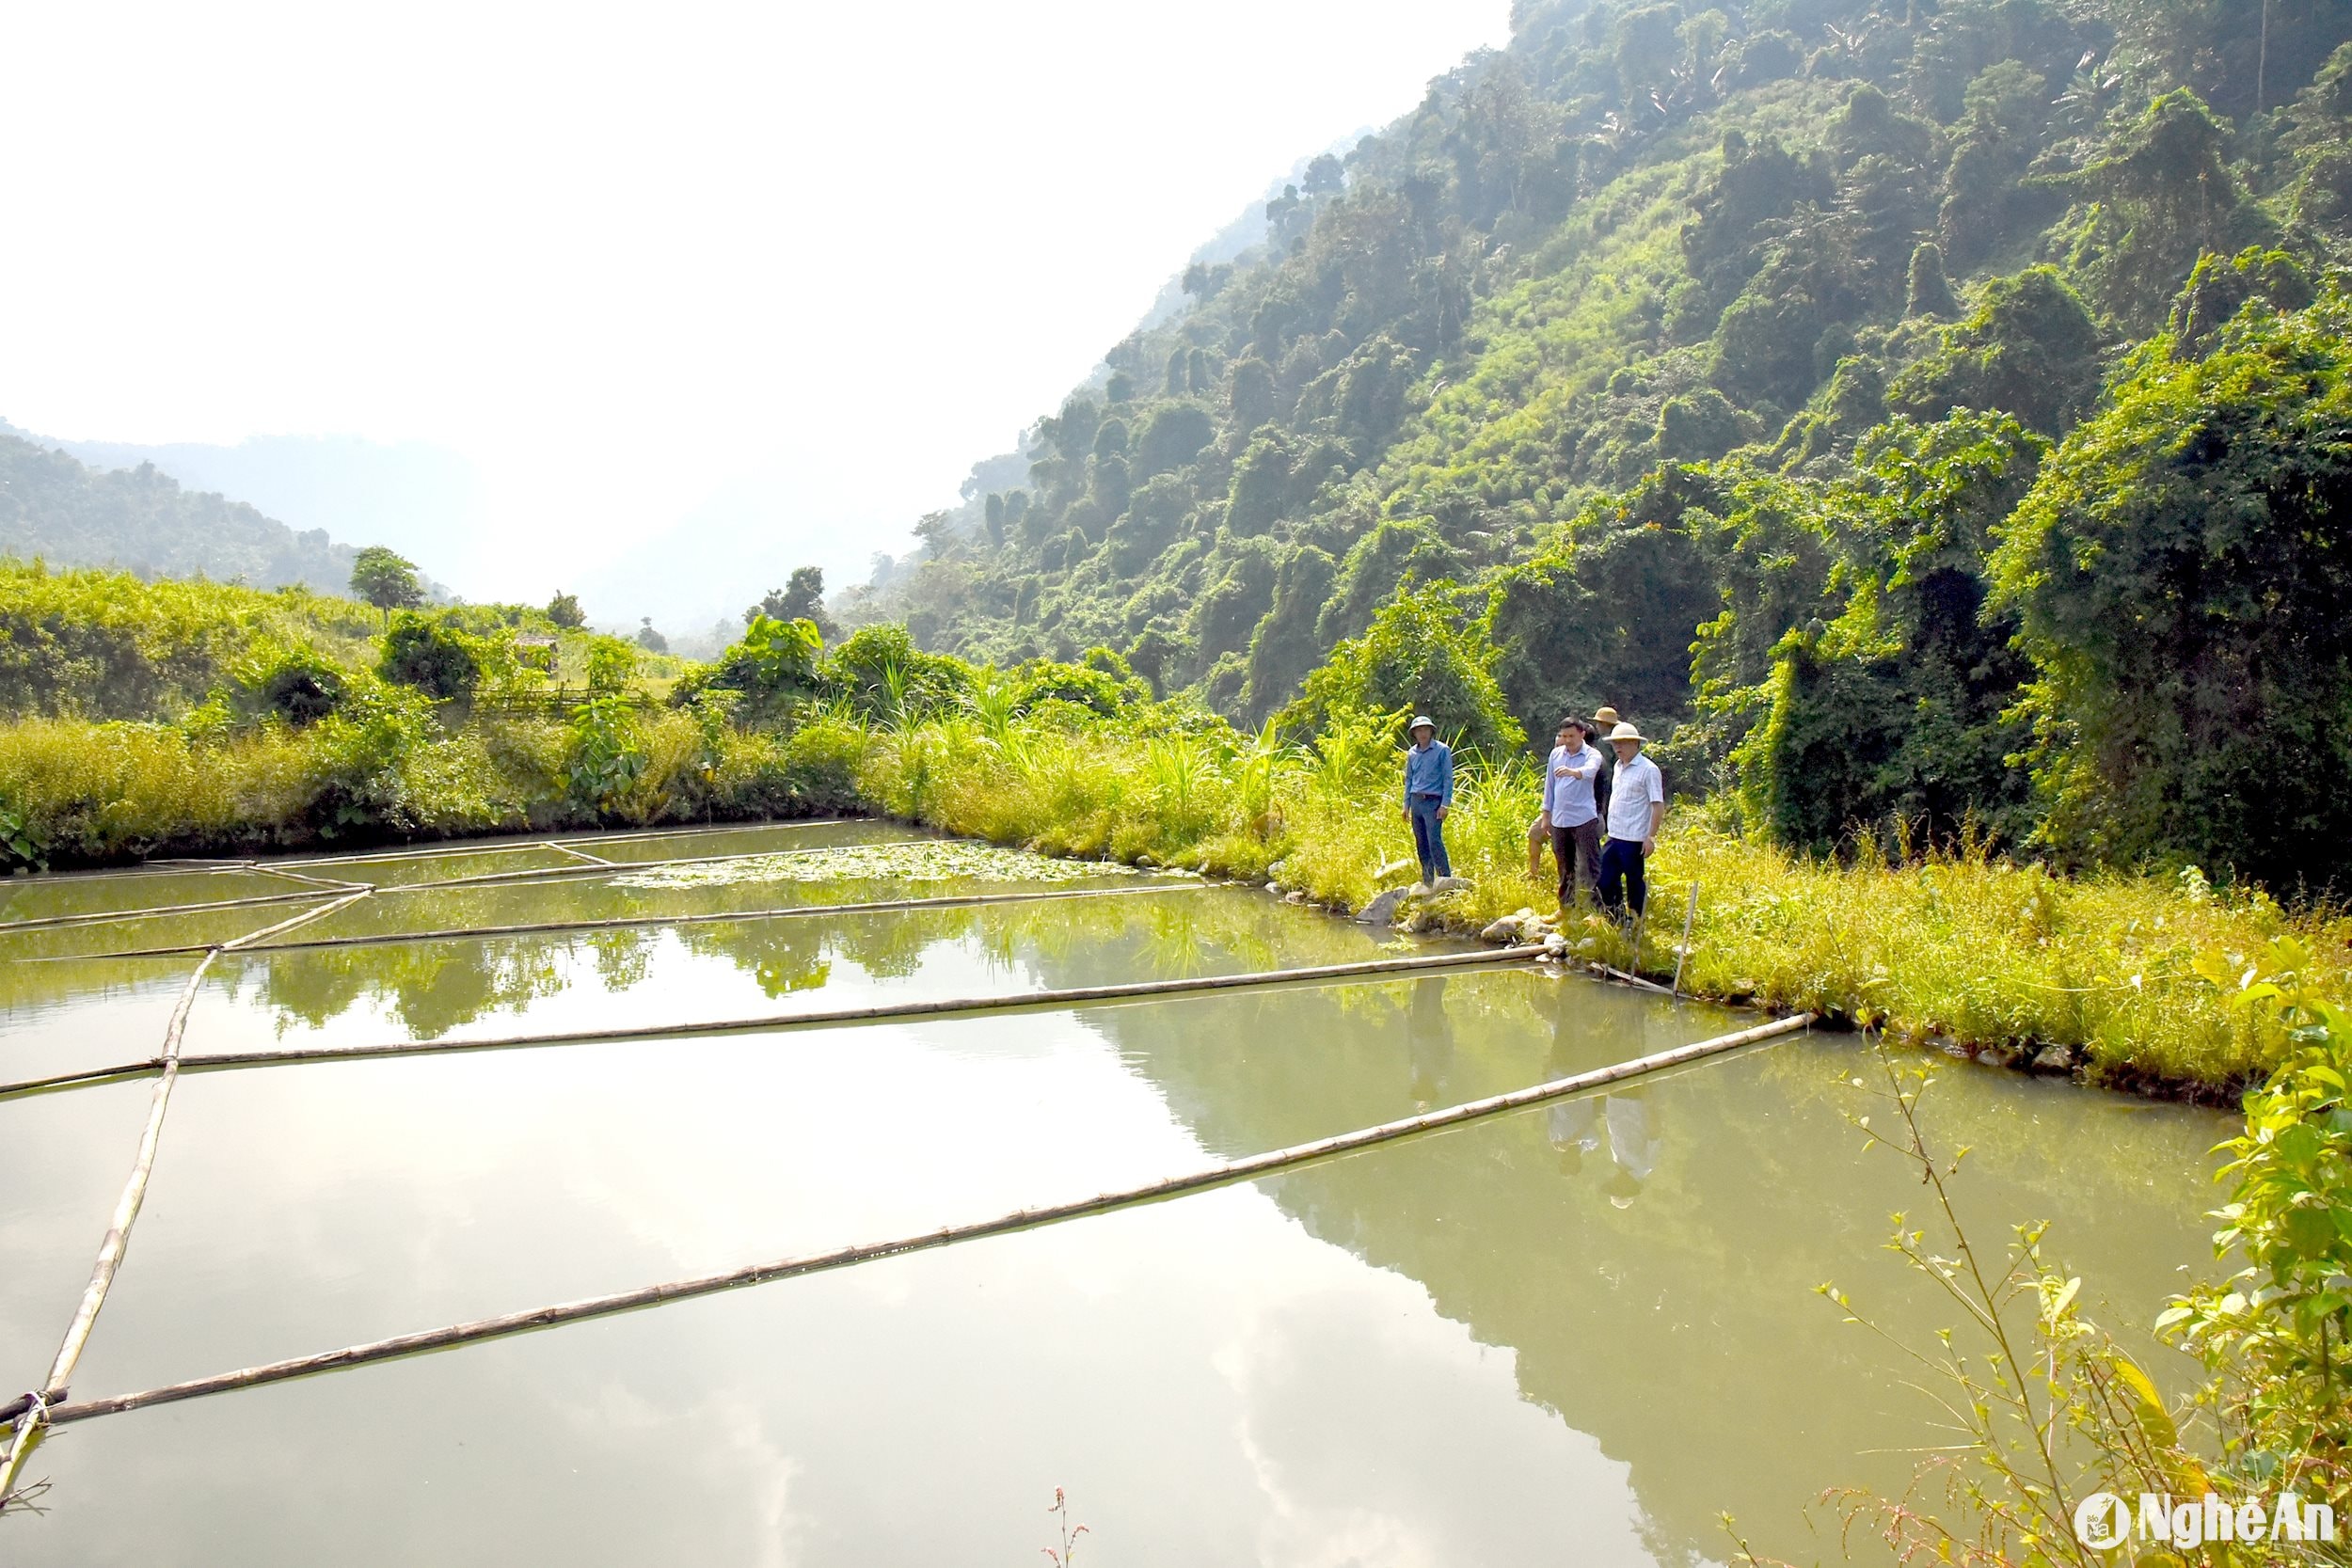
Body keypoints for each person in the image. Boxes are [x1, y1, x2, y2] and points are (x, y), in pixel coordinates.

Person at [1597, 720, 1664, 919]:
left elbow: (1657, 805)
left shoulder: (1648, 769)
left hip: (1634, 838)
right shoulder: (1618, 766)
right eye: (1615, 743)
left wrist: (1650, 837)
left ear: (1635, 744)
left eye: (1623, 743)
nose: (1618, 747)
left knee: (1634, 881)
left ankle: (1636, 920)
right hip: (1615, 834)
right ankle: (1616, 918)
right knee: (1605, 879)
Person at [1540, 716, 1603, 909]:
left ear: (1582, 734)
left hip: (1584, 817)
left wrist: (1573, 772)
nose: (1567, 740)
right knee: (1564, 866)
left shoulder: (1592, 754)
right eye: (1564, 736)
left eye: (1572, 736)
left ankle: (1597, 908)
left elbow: (1590, 771)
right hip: (1560, 818)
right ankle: (1566, 907)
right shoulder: (1556, 754)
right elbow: (1549, 785)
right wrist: (1546, 815)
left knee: (1591, 865)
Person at [1400, 714, 1454, 887]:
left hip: (1433, 802)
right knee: (1421, 841)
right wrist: (1406, 805)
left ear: (1431, 731)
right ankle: (1428, 881)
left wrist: (1445, 804)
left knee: (1434, 841)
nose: (1423, 733)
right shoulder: (1412, 753)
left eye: (1426, 730)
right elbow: (1409, 779)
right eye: (1419, 730)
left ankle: (1445, 880)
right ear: (1414, 734)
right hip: (1416, 801)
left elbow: (1448, 779)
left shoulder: (1442, 750)